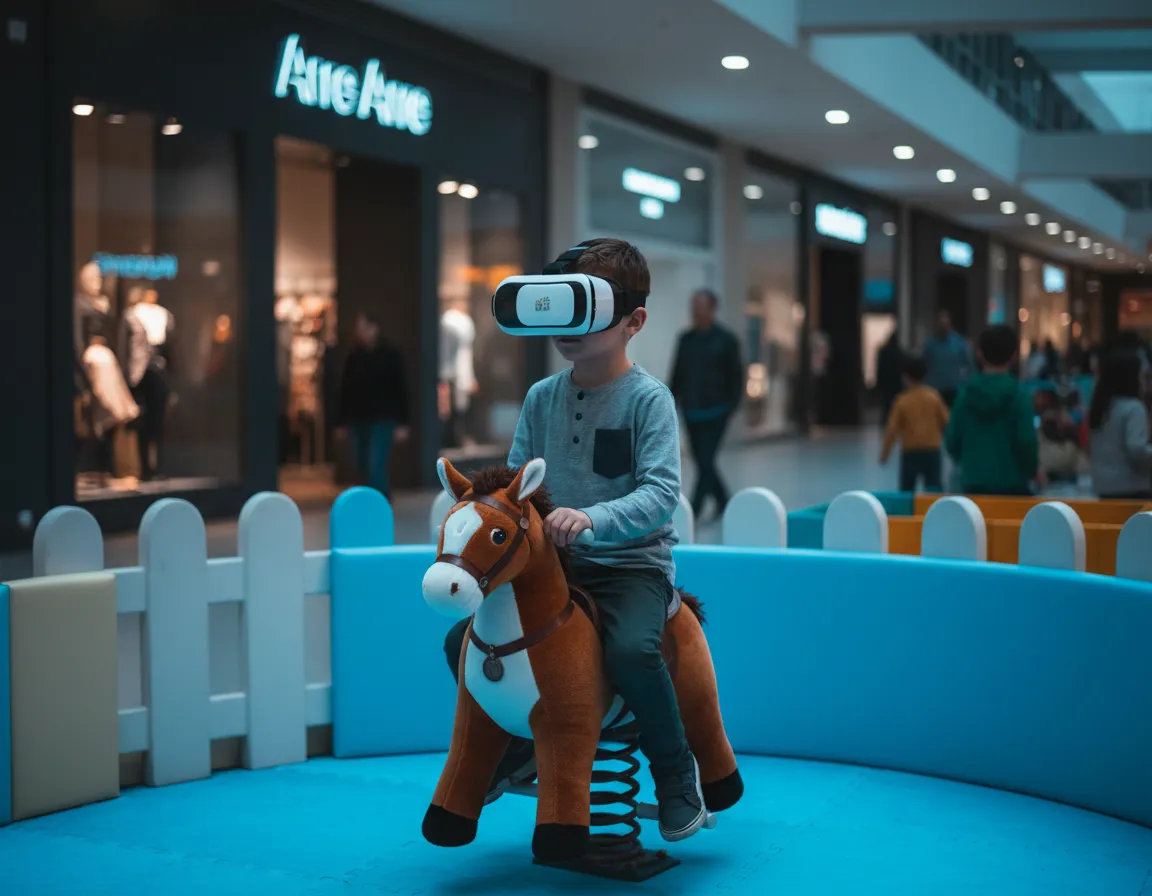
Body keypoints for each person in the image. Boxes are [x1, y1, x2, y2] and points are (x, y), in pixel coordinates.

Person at [441, 238, 708, 842]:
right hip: (553, 570)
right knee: (465, 641)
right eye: (557, 308)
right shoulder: (542, 398)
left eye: (585, 309)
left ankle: (675, 775)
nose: (568, 328)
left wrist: (593, 518)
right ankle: (517, 746)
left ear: (633, 321)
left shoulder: (649, 400)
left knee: (632, 651)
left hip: (629, 566)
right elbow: (516, 484)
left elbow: (662, 492)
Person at [669, 289, 743, 520]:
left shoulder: (726, 340)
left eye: (700, 305)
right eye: (693, 306)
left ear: (712, 308)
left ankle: (695, 507)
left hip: (717, 411)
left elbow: (737, 375)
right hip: (692, 410)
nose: (696, 311)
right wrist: (670, 400)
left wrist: (732, 405)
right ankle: (724, 500)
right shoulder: (686, 339)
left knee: (706, 459)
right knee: (703, 460)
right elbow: (677, 373)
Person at [944, 325, 1039, 495]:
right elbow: (1026, 442)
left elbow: (952, 440)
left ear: (979, 354)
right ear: (1014, 356)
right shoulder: (1020, 395)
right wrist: (1034, 471)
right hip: (1013, 489)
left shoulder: (965, 394)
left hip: (972, 487)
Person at [335, 312, 410, 498]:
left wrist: (402, 422)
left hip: (383, 418)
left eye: (364, 328)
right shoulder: (354, 357)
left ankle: (380, 502)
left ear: (374, 328)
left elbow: (401, 389)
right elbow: (346, 390)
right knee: (360, 464)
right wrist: (341, 421)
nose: (360, 333)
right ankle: (365, 501)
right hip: (358, 418)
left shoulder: (390, 356)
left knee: (375, 463)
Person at [879, 356, 949, 492]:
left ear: (905, 377)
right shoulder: (934, 396)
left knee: (907, 489)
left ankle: (908, 512)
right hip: (932, 450)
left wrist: (885, 453)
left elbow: (892, 429)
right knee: (934, 488)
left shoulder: (902, 400)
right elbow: (946, 422)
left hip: (910, 452)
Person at [1088, 350, 1152, 499]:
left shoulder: (1101, 408)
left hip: (1103, 487)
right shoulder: (1134, 408)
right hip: (1132, 488)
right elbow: (1137, 449)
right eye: (1143, 377)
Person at [922, 309, 974, 407]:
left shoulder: (960, 342)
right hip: (934, 388)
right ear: (936, 324)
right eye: (940, 324)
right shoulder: (930, 344)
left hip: (954, 388)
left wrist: (966, 384)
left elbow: (969, 365)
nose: (943, 327)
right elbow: (925, 364)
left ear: (950, 324)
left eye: (945, 324)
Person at [876, 330, 905, 424]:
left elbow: (879, 369)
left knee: (887, 407)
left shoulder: (884, 352)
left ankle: (887, 425)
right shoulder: (898, 352)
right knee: (894, 406)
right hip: (895, 383)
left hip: (887, 384)